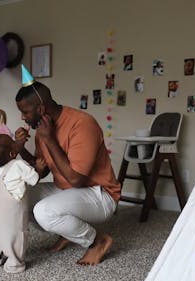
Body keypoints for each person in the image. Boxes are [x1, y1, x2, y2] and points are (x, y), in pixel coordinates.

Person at [14, 67, 121, 266]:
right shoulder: (42, 128)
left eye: (25, 112)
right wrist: (21, 150)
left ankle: (97, 241)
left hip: (100, 194)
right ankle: (69, 232)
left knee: (44, 212)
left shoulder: (82, 124)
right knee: (18, 195)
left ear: (41, 109)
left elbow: (76, 179)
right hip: (67, 190)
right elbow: (42, 170)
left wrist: (49, 139)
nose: (22, 117)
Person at [0, 133, 43, 273]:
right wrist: (39, 167)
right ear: (12, 153)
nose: (15, 141)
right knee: (15, 235)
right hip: (12, 211)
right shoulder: (19, 164)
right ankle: (14, 264)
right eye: (12, 141)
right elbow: (34, 179)